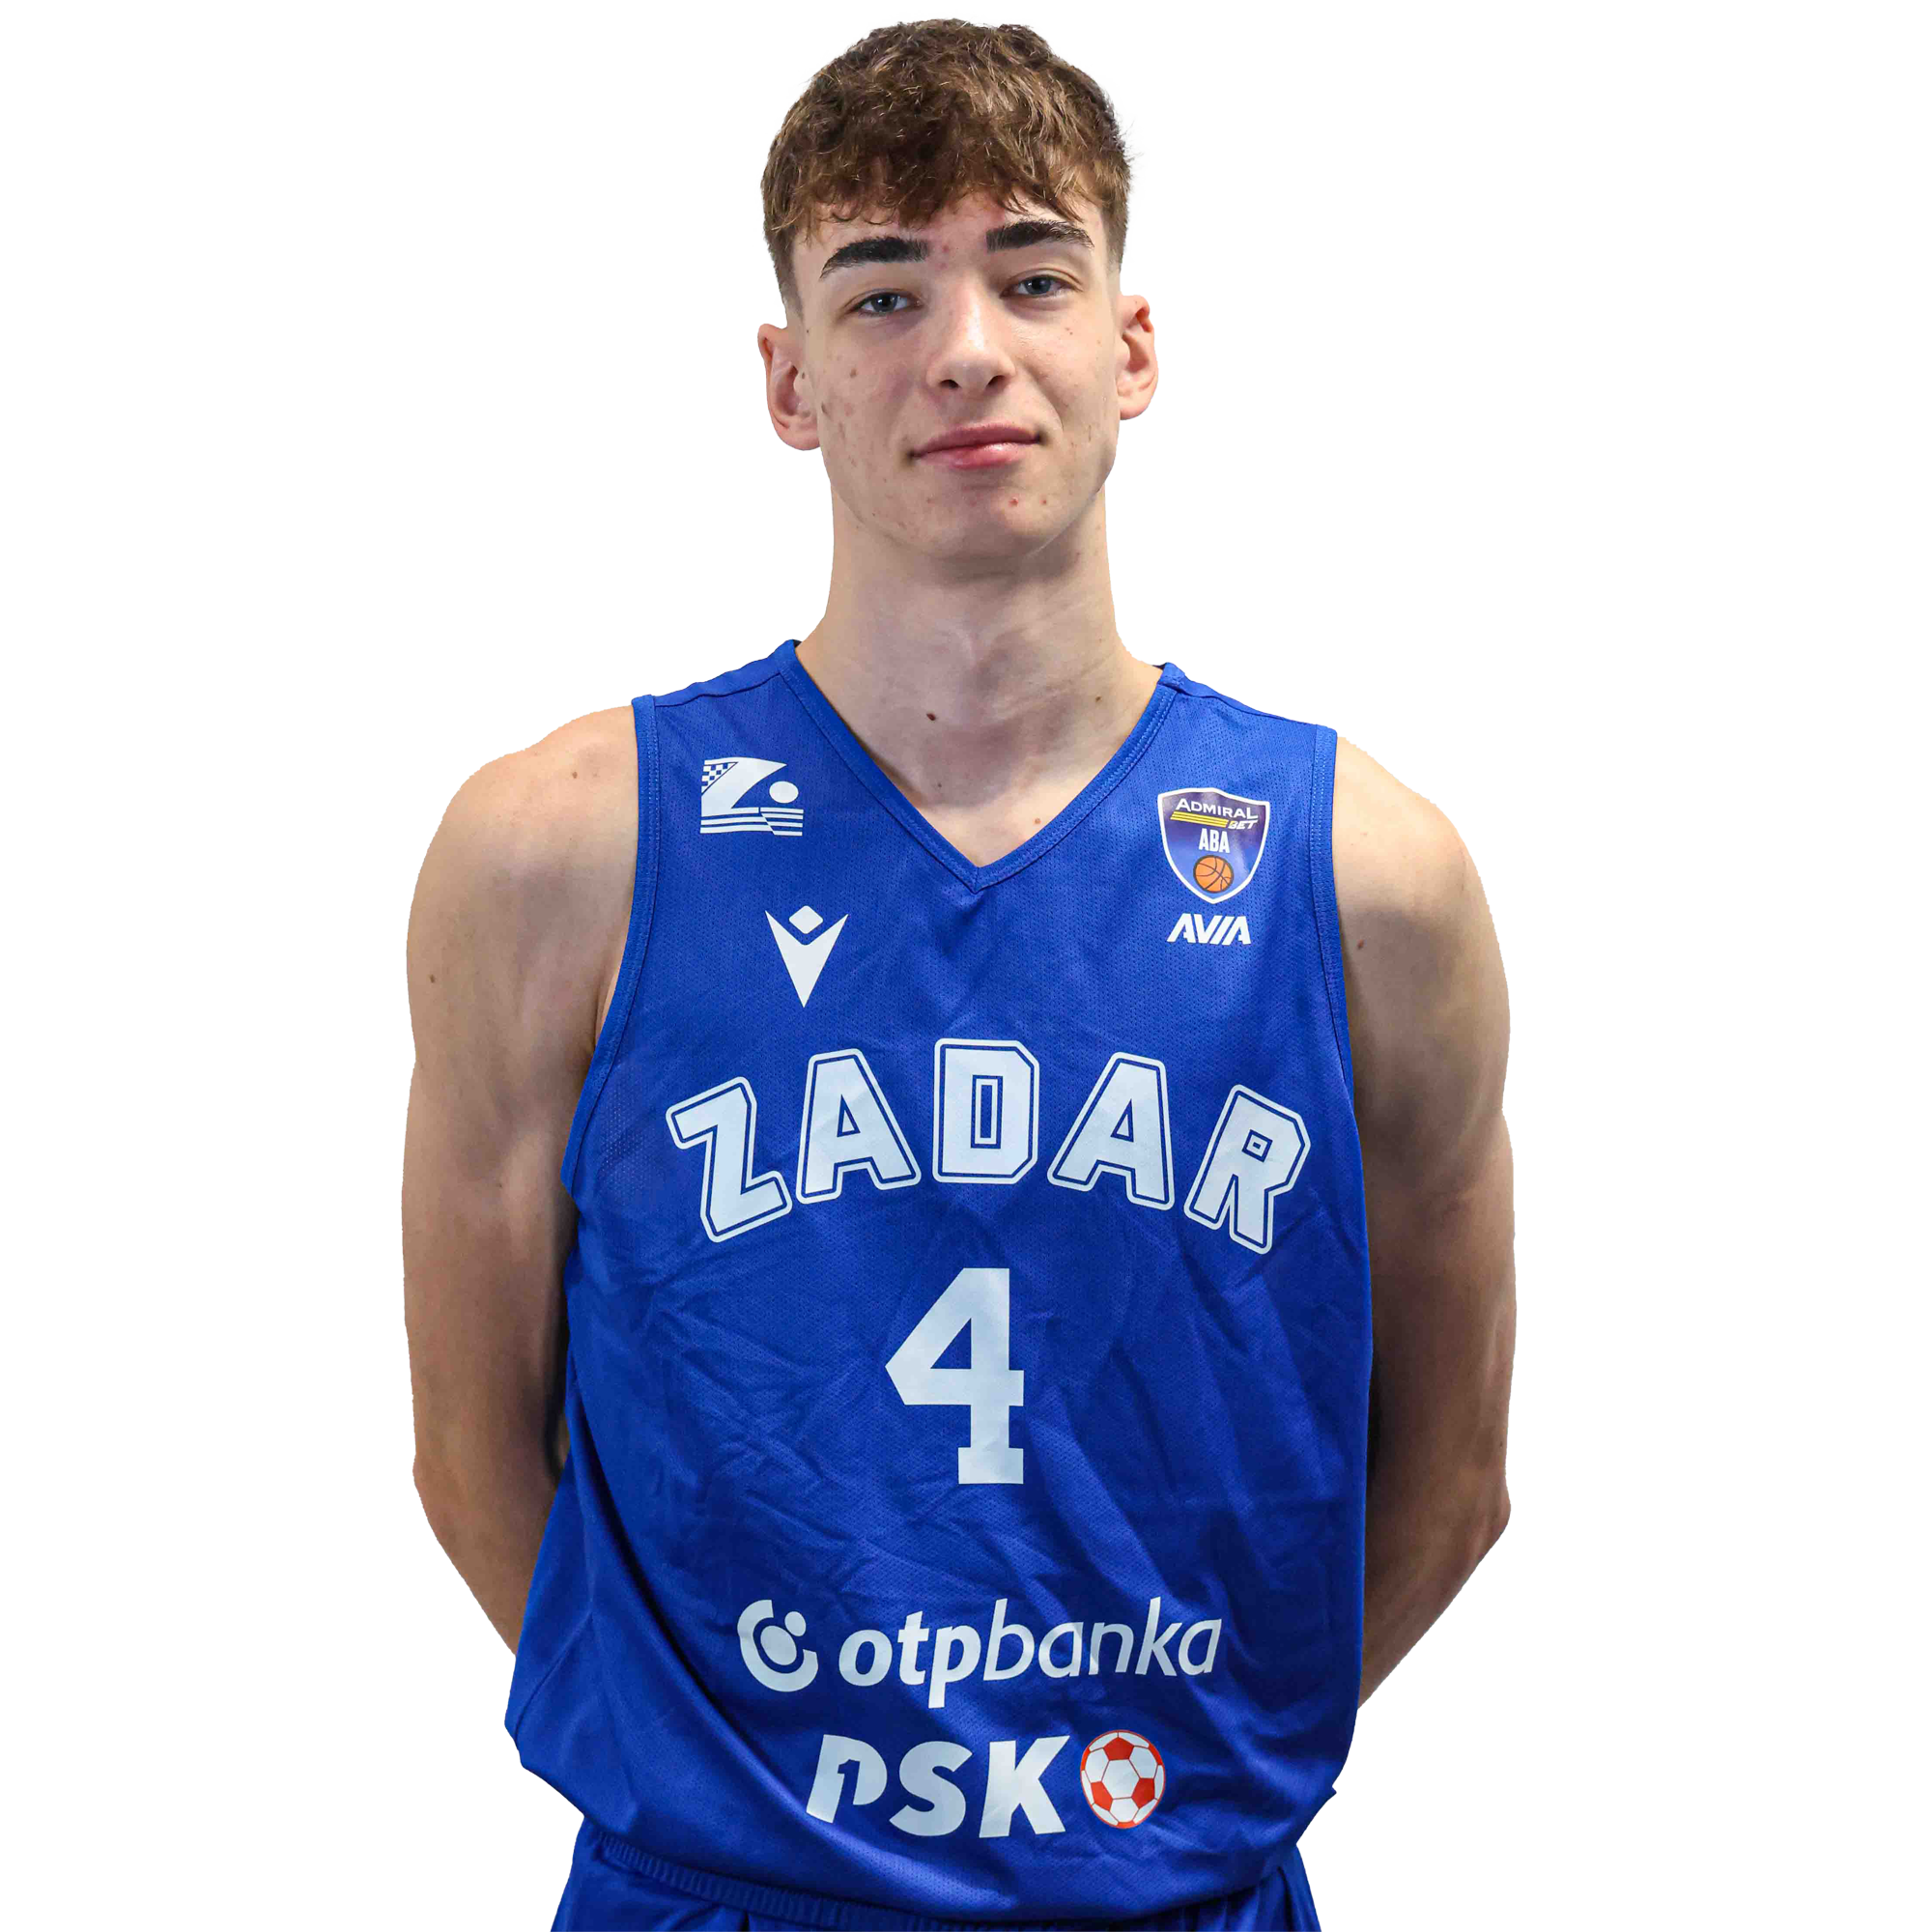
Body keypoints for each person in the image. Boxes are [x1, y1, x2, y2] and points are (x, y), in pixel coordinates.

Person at [403, 17, 1514, 1931]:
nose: (967, 347)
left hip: (1171, 1890)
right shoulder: (560, 850)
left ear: (1129, 347)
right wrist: (734, 1791)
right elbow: (467, 1439)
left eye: (1033, 274)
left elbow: (1461, 1459)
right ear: (792, 379)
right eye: (883, 288)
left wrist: (1179, 1798)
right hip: (716, 1894)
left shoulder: (1364, 875)